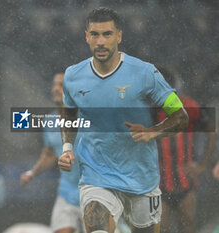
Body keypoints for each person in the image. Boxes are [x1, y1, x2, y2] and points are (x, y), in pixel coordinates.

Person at [57, 7, 189, 233]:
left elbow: (180, 117)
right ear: (86, 36)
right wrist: (67, 147)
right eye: (95, 34)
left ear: (119, 36)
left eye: (107, 34)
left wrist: (153, 131)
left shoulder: (145, 73)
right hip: (96, 177)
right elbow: (68, 113)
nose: (100, 41)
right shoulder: (72, 76)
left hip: (141, 180)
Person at [20, 73, 85, 233]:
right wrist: (32, 173)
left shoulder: (88, 118)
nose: (56, 89)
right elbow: (50, 154)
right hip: (66, 192)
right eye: (55, 84)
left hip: (93, 191)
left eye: (61, 85)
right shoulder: (49, 121)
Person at [155, 67, 216, 233]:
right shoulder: (150, 110)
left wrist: (202, 165)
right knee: (162, 228)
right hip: (159, 184)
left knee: (187, 226)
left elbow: (211, 131)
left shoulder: (187, 105)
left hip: (185, 181)